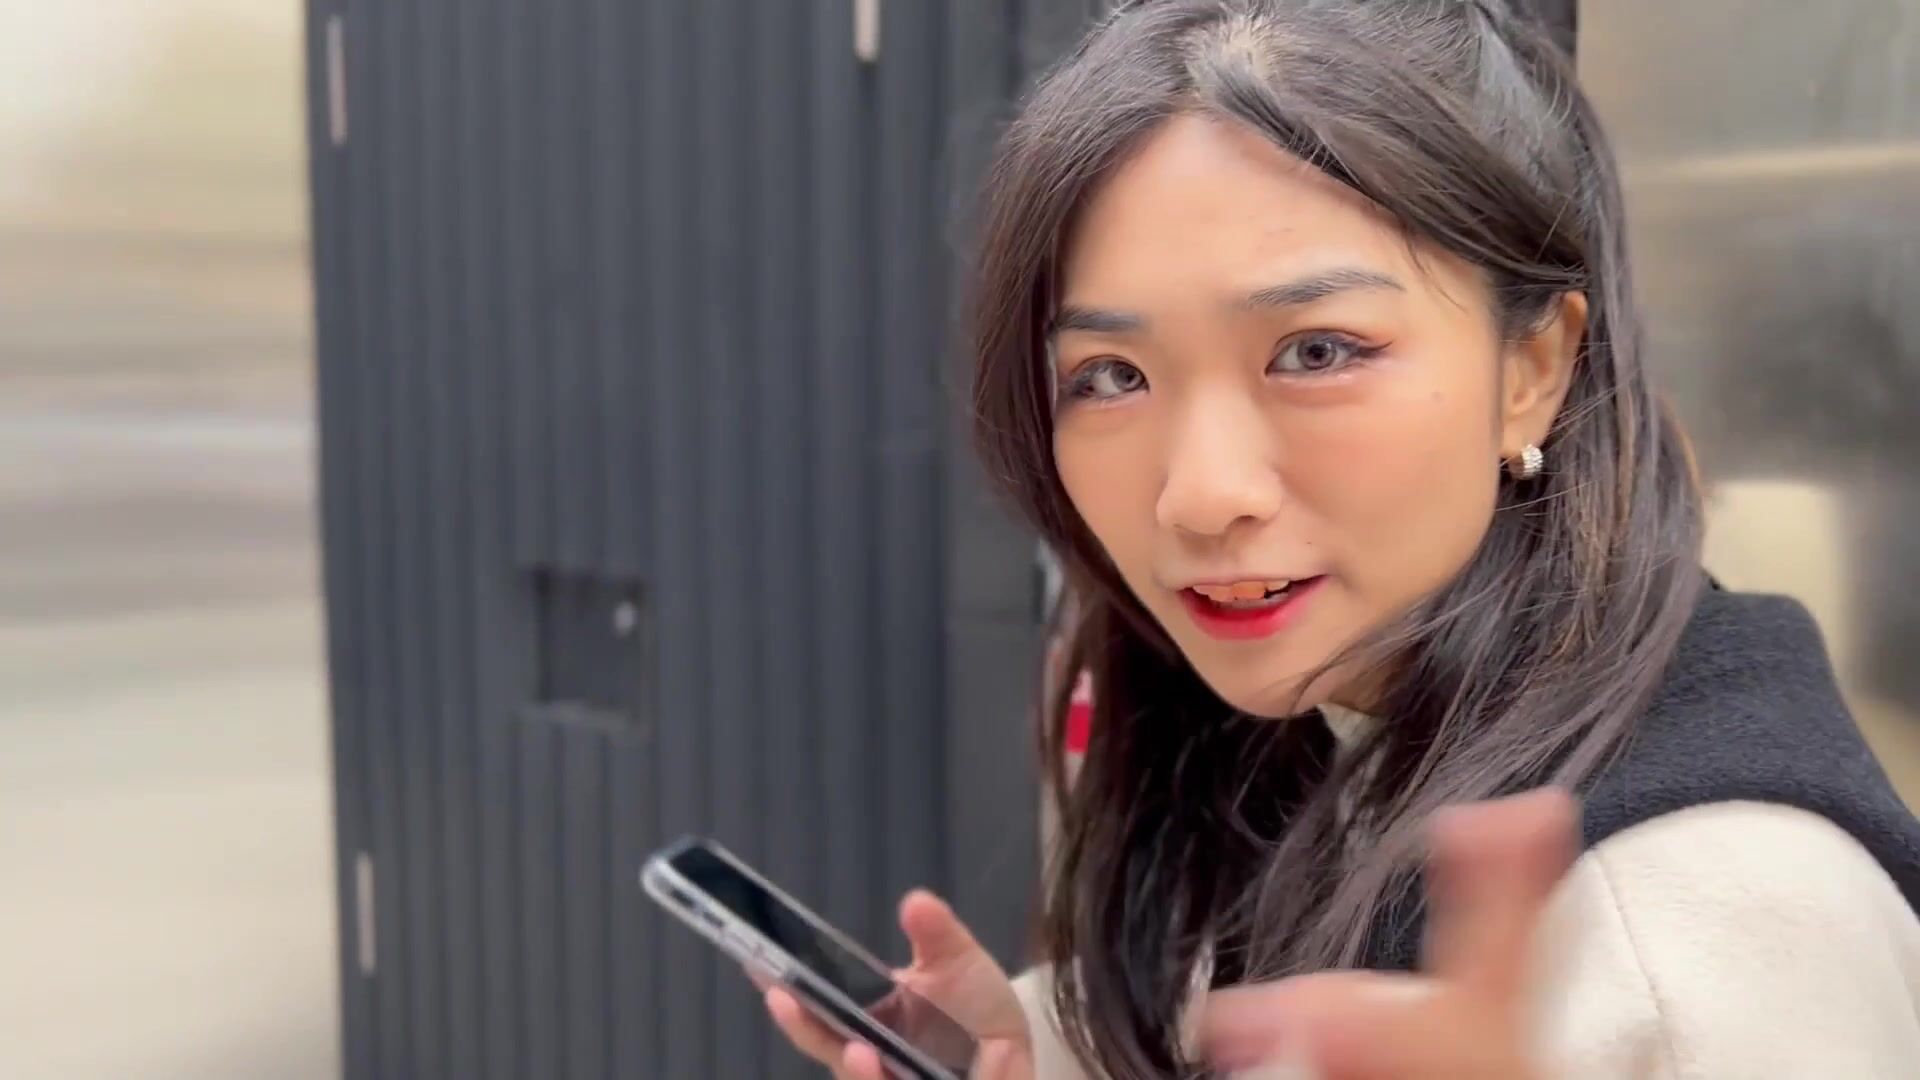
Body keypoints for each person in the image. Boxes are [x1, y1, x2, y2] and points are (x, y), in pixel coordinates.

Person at [765, 1, 1920, 1076]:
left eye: (1316, 352)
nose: (1200, 497)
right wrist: (1042, 1048)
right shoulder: (1345, 718)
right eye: (1110, 375)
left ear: (1533, 368)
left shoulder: (1689, 943)